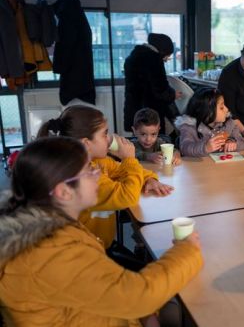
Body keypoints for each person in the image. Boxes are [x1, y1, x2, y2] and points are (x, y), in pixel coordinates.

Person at [0, 136, 203, 327]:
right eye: (89, 171)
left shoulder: (52, 229)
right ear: (64, 192)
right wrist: (188, 250)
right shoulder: (49, 251)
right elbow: (138, 297)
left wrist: (143, 313)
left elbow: (107, 290)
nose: (98, 174)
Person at [37, 105, 173, 254]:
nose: (109, 139)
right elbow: (128, 196)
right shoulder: (82, 179)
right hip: (84, 254)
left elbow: (123, 169)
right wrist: (129, 158)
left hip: (100, 244)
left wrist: (149, 179)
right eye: (104, 134)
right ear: (86, 143)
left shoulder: (97, 162)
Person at [123, 33, 183, 138]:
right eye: (168, 55)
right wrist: (173, 94)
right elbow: (160, 89)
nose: (167, 58)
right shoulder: (154, 59)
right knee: (154, 141)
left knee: (139, 140)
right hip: (150, 110)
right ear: (163, 49)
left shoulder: (133, 56)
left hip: (135, 108)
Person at [175, 87, 244, 157]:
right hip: (199, 168)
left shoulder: (229, 123)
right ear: (207, 111)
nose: (227, 109)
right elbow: (185, 148)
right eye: (221, 107)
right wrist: (205, 148)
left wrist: (233, 143)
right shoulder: (189, 127)